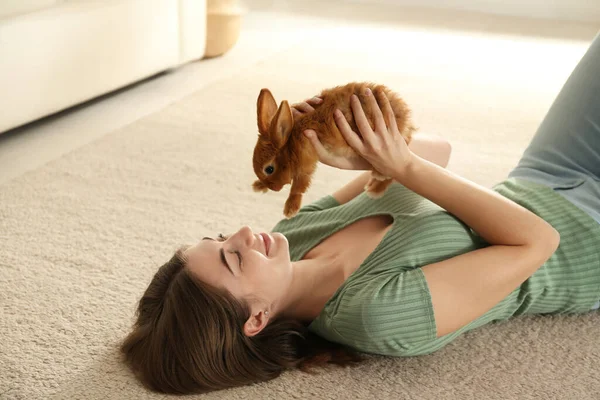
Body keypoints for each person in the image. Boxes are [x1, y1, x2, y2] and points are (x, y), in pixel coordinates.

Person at [121, 33, 600, 394]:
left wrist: (357, 154)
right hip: (589, 241)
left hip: (543, 175)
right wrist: (402, 167)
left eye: (222, 238)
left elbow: (436, 151)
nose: (245, 234)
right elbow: (538, 243)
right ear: (256, 319)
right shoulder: (375, 315)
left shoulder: (296, 234)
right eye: (232, 259)